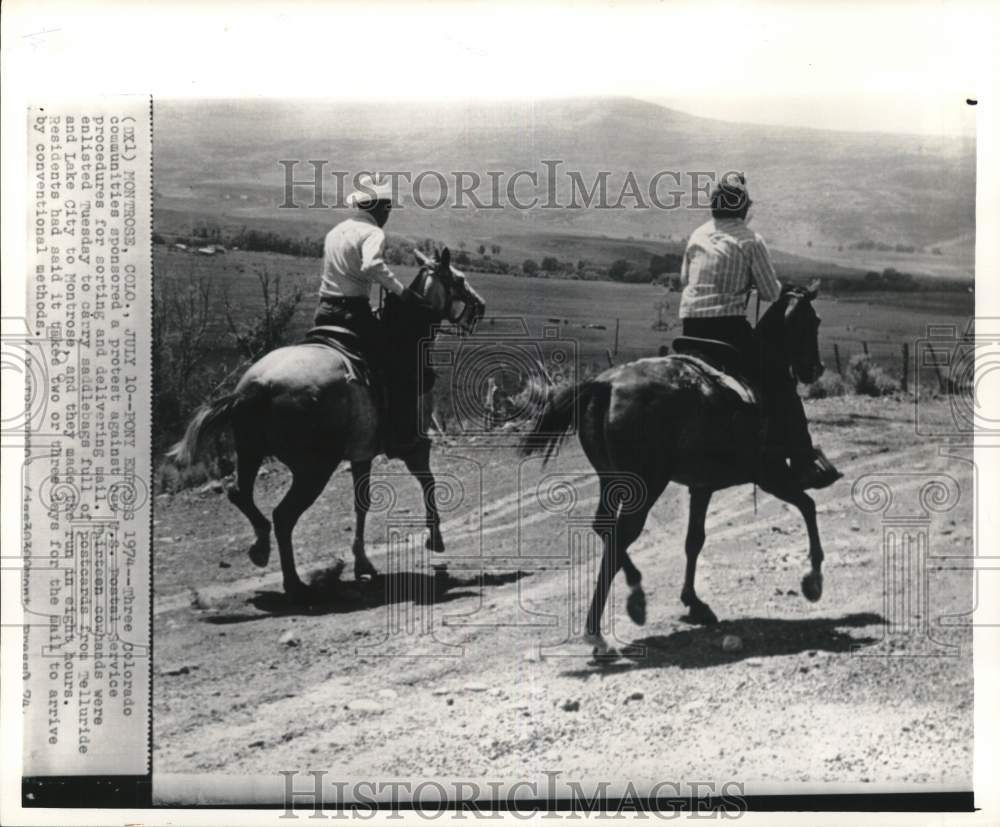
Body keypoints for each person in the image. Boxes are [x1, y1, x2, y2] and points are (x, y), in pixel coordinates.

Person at [679, 173, 841, 489]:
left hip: (689, 329)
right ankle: (803, 463)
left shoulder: (696, 235)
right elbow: (770, 292)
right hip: (726, 332)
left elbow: (686, 279)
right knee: (781, 382)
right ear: (744, 209)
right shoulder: (751, 240)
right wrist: (750, 282)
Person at [314, 174, 430, 454]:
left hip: (323, 313)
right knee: (397, 364)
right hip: (352, 315)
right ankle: (397, 431)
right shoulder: (373, 233)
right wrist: (401, 292)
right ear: (379, 207)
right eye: (388, 208)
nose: (388, 213)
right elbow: (371, 266)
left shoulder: (335, 231)